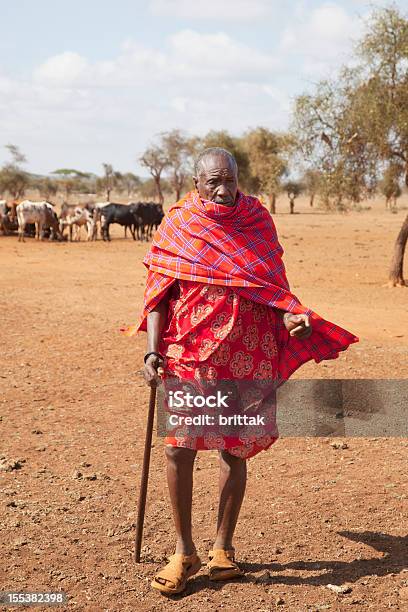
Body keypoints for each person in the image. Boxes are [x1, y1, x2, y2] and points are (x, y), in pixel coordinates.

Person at [122, 147, 359, 595]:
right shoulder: (180, 224)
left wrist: (293, 318)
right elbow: (158, 294)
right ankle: (183, 550)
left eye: (229, 179)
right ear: (196, 184)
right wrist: (153, 352)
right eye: (213, 181)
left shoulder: (256, 221)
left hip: (245, 354)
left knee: (233, 449)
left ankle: (222, 549)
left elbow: (275, 289)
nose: (223, 189)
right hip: (188, 351)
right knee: (178, 449)